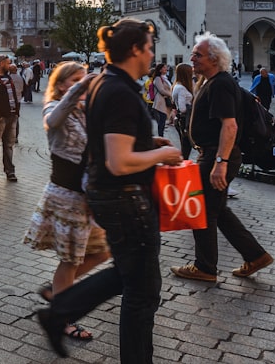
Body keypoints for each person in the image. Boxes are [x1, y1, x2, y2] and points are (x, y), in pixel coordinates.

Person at [36, 19, 182, 362]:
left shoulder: (106, 82)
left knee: (132, 277)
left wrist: (147, 142)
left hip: (110, 196)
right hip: (126, 199)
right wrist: (163, 153)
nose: (151, 54)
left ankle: (59, 311)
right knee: (142, 291)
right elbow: (118, 161)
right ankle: (59, 313)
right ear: (134, 49)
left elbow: (105, 142)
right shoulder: (120, 91)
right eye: (148, 47)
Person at [171, 32, 273, 283]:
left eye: (198, 54)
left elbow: (230, 126)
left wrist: (220, 163)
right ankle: (256, 255)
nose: (191, 57)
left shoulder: (221, 84)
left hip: (217, 155)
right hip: (212, 154)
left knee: (202, 210)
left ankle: (205, 267)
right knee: (218, 210)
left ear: (214, 59)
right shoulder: (209, 82)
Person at [25, 62, 108, 342]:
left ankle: (57, 291)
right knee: (70, 260)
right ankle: (62, 317)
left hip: (87, 197)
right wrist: (81, 87)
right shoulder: (53, 106)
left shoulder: (85, 111)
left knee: (102, 251)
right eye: (74, 80)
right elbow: (53, 120)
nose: (81, 84)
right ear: (61, 85)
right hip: (67, 195)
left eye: (83, 79)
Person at [171, 63, 195, 159]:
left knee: (185, 147)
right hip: (185, 120)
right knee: (186, 147)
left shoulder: (177, 85)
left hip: (181, 119)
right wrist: (191, 106)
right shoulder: (181, 88)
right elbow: (182, 108)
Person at [149, 63, 172, 138]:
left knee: (163, 120)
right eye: (164, 67)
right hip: (160, 102)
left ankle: (161, 136)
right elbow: (161, 90)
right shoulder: (158, 78)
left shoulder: (164, 78)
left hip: (164, 101)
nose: (166, 69)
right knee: (162, 121)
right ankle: (161, 137)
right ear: (160, 69)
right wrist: (170, 94)